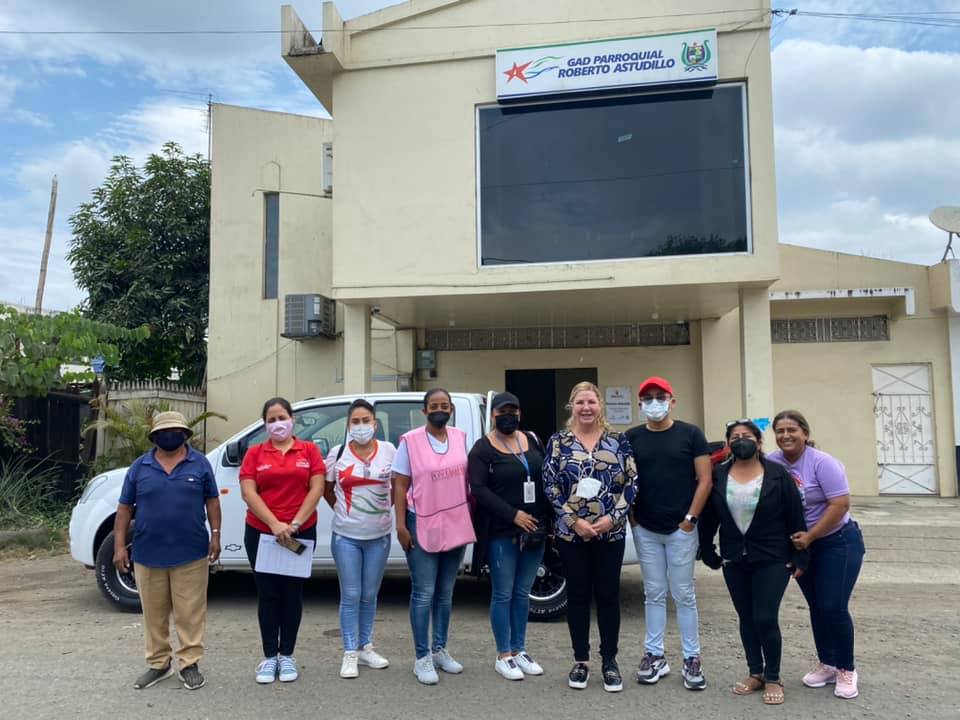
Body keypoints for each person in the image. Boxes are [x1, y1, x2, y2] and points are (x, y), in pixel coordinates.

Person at [698, 420, 809, 705]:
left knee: (765, 617)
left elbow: (795, 516)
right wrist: (706, 548)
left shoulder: (778, 475)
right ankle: (755, 672)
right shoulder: (718, 475)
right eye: (735, 437)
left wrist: (800, 555)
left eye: (747, 436)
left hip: (772, 556)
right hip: (734, 557)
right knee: (746, 617)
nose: (741, 440)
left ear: (759, 442)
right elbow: (710, 517)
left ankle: (773, 677)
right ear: (727, 444)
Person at [113, 411, 221, 691]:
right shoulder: (140, 466)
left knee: (190, 612)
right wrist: (119, 546)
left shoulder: (200, 463)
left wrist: (216, 535)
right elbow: (124, 508)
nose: (169, 436)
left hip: (191, 552)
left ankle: (189, 663)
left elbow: (212, 501)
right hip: (148, 553)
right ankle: (159, 664)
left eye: (175, 432)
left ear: (185, 435)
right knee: (154, 614)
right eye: (163, 432)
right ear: (154, 437)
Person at [543, 381, 638, 693]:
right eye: (580, 402)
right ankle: (581, 660)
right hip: (572, 535)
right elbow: (550, 486)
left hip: (610, 533)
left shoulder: (618, 441)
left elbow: (632, 483)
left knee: (608, 596)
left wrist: (613, 518)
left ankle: (609, 661)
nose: (586, 408)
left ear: (600, 406)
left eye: (591, 402)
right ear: (572, 406)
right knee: (579, 597)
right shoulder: (559, 442)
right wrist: (574, 521)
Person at [768, 410, 865, 700]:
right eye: (780, 431)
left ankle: (846, 668)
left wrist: (811, 536)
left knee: (833, 605)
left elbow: (840, 504)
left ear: (805, 433)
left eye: (792, 430)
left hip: (838, 542)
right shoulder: (772, 462)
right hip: (801, 546)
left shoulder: (823, 463)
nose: (786, 435)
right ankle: (828, 663)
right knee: (816, 606)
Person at [626, 376, 712, 690]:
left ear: (671, 401)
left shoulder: (691, 434)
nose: (654, 403)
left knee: (684, 594)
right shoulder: (632, 437)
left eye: (659, 397)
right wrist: (633, 519)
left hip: (681, 529)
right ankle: (654, 655)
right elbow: (626, 481)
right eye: (647, 398)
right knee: (653, 592)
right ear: (640, 404)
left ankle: (692, 658)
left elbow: (705, 480)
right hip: (646, 529)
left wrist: (690, 519)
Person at [392, 388, 476, 685]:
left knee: (445, 592)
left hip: (455, 521)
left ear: (451, 409)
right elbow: (399, 485)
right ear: (424, 410)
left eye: (444, 405)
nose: (439, 410)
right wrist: (401, 526)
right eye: (434, 405)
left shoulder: (460, 437)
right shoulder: (410, 442)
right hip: (421, 521)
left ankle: (440, 649)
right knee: (424, 592)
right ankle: (422, 657)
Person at [239, 397, 325, 684]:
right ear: (265, 424)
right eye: (271, 420)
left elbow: (316, 488)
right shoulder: (255, 453)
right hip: (261, 533)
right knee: (267, 594)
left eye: (282, 418)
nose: (278, 424)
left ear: (292, 419)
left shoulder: (309, 450)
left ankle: (287, 654)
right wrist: (274, 524)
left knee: (292, 594)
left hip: (301, 532)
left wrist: (295, 523)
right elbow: (248, 492)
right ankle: (269, 657)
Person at [468, 391, 551, 681]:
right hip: (502, 531)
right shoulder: (482, 448)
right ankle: (503, 654)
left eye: (513, 411)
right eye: (502, 411)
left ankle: (519, 649)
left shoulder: (532, 439)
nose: (508, 416)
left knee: (522, 593)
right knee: (503, 593)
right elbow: (478, 489)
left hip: (534, 530)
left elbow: (545, 477)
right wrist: (513, 515)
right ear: (493, 415)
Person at [324, 399, 396, 679]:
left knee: (369, 595)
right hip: (346, 537)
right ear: (348, 425)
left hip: (379, 537)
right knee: (351, 594)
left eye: (366, 420)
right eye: (355, 421)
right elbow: (327, 489)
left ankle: (365, 647)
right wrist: (344, 511)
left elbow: (399, 486)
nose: (361, 426)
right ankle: (349, 652)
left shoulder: (389, 450)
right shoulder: (338, 453)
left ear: (375, 424)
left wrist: (382, 511)